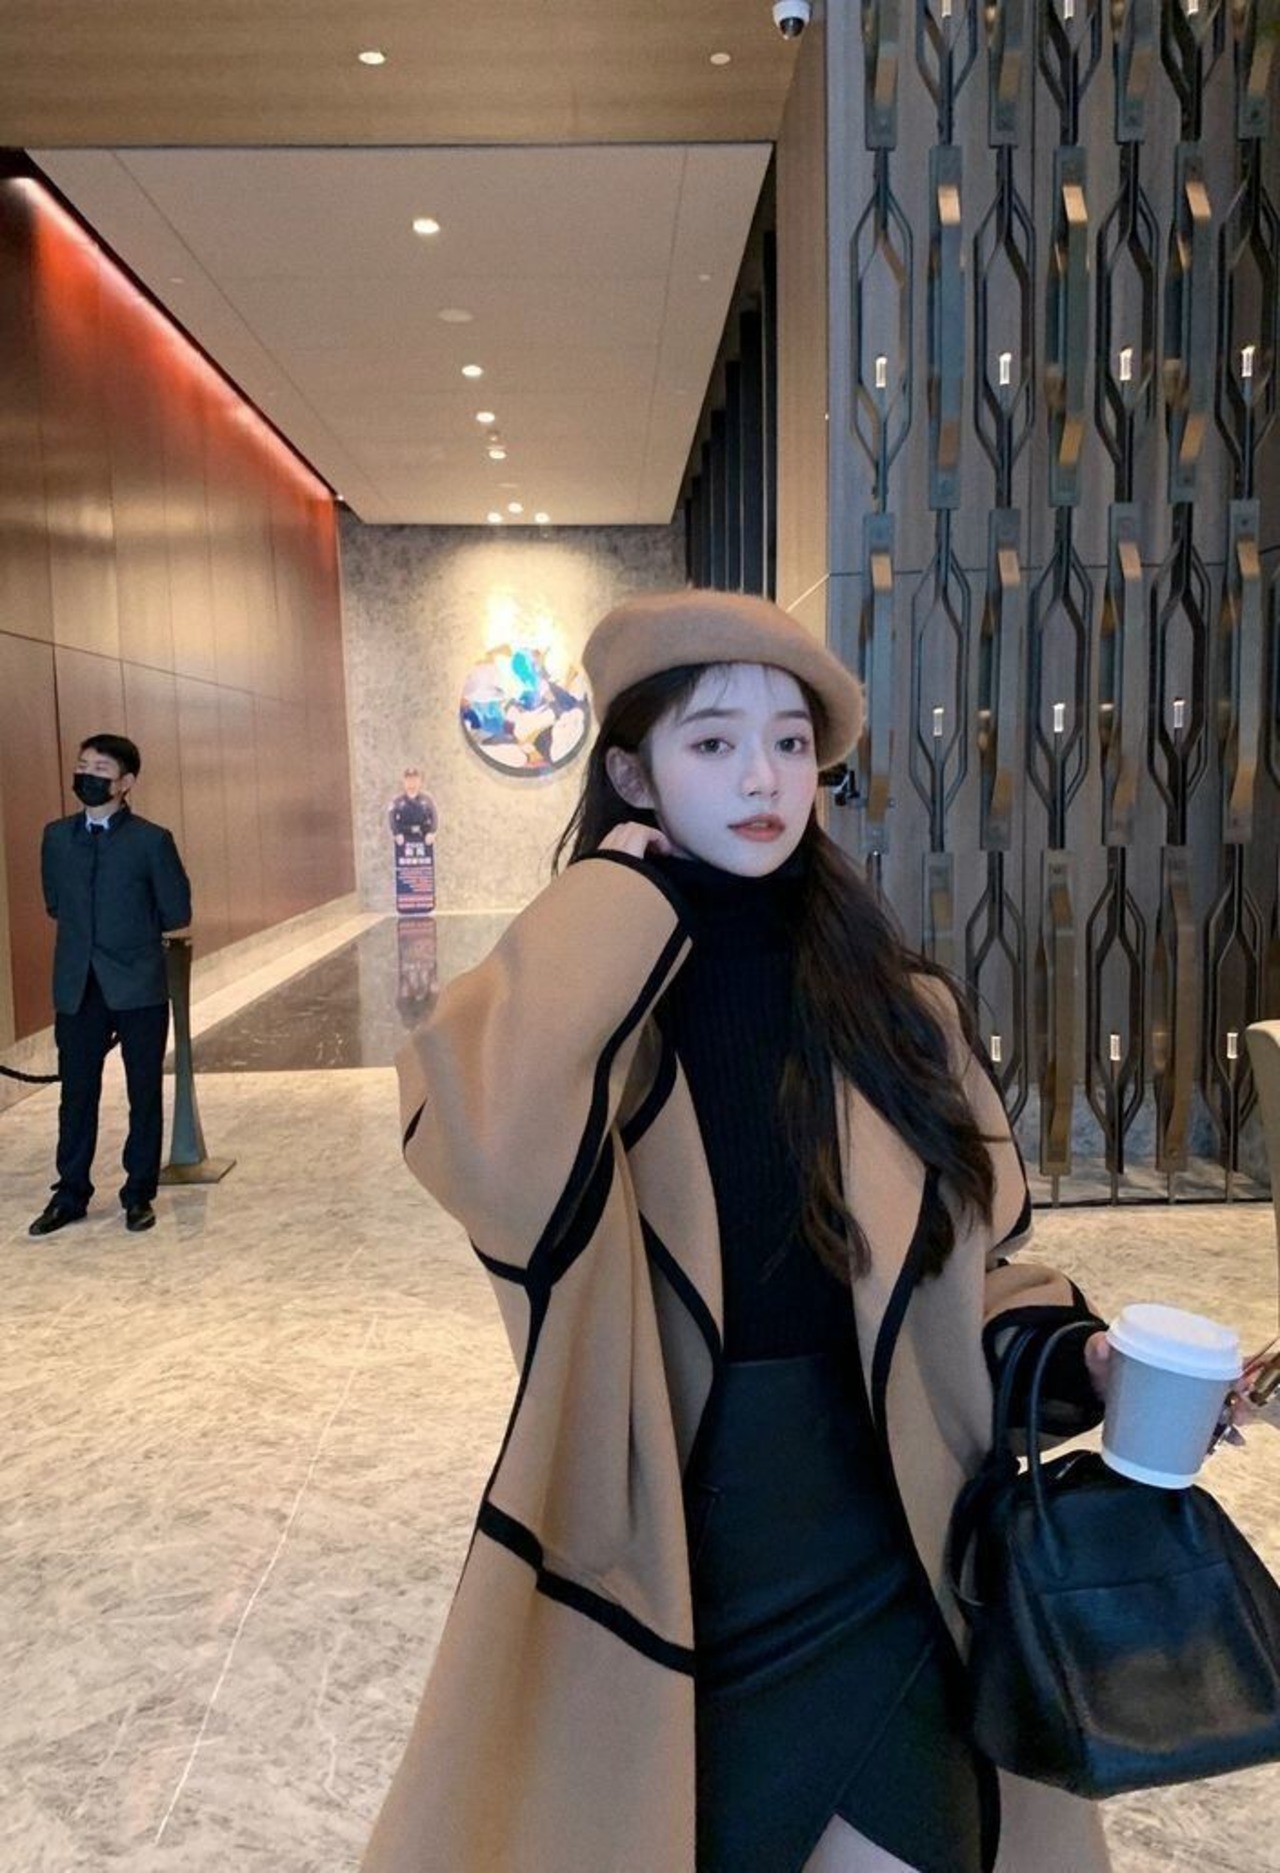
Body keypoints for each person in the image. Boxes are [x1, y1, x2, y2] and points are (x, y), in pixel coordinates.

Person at [363, 590, 1114, 1873]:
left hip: (890, 1541)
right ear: (630, 772)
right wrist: (609, 897)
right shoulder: (602, 1000)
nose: (762, 778)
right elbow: (476, 1142)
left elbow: (967, 1275)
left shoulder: (897, 1008)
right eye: (711, 743)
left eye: (788, 743)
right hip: (673, 1560)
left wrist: (1079, 1357)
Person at [29, 733, 192, 1238]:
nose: (88, 776)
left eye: (101, 770)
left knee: (143, 1092)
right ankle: (70, 1193)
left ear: (125, 783)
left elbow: (176, 910)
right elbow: (55, 903)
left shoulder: (151, 841)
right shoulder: (57, 837)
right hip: (78, 986)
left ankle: (138, 1193)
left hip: (138, 986)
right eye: (83, 766)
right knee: (76, 1093)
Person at [389, 769, 437, 846]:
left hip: (423, 837)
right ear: (404, 783)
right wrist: (396, 833)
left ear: (420, 782)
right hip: (403, 838)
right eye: (408, 781)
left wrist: (431, 832)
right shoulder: (397, 801)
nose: (411, 784)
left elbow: (434, 816)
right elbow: (392, 818)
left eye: (414, 781)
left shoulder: (427, 800)